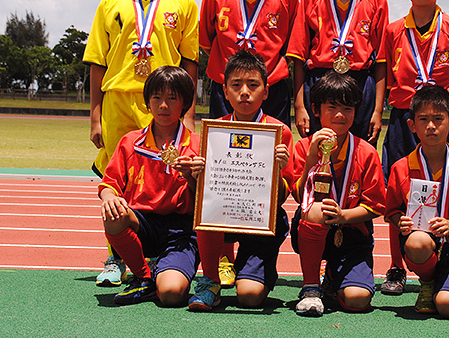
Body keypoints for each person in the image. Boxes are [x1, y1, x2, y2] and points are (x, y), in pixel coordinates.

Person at [83, 0, 199, 286]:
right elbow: (97, 64)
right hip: (120, 99)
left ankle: (176, 247)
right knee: (116, 180)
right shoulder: (110, 4)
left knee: (174, 176)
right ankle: (116, 257)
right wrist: (95, 117)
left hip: (166, 100)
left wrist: (191, 115)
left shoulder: (182, 3)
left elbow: (191, 61)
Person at [379, 0, 449, 295]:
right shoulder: (392, 30)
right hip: (403, 119)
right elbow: (385, 77)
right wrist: (380, 115)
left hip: (441, 121)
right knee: (398, 194)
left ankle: (445, 260)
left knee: (448, 190)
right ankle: (396, 268)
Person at [188, 50, 294, 311]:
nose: (244, 92)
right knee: (205, 207)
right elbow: (201, 192)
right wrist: (195, 174)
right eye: (236, 85)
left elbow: (281, 198)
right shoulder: (214, 131)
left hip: (260, 220)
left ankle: (257, 269)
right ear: (224, 91)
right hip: (223, 215)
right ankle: (210, 279)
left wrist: (278, 169)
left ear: (266, 91)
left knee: (249, 297)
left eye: (253, 85)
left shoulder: (280, 133)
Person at [98, 66, 203, 306]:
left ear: (184, 102)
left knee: (171, 294)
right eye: (157, 98)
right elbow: (108, 184)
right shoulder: (130, 142)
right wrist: (108, 197)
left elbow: (206, 202)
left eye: (172, 98)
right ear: (148, 102)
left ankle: (167, 269)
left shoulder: (197, 144)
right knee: (114, 215)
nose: (163, 105)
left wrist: (191, 177)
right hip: (142, 223)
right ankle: (143, 277)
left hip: (181, 232)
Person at [290, 71, 386, 317]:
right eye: (332, 107)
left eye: (348, 108)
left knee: (358, 300)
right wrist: (312, 156)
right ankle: (311, 286)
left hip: (353, 236)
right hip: (312, 231)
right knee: (315, 210)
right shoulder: (302, 147)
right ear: (315, 109)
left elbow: (375, 205)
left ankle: (333, 277)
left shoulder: (366, 152)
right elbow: (300, 196)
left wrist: (343, 215)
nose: (340, 115)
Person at [386, 85, 449, 317]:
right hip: (424, 248)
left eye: (438, 119)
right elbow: (391, 210)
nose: (431, 126)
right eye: (423, 119)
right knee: (416, 242)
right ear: (412, 126)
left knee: (448, 307)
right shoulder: (401, 168)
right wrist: (399, 220)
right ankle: (428, 282)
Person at [286, 0, 388, 144]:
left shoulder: (377, 1)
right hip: (320, 82)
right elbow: (299, 59)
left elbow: (381, 62)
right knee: (319, 153)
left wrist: (378, 111)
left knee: (357, 153)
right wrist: (300, 105)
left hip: (360, 84)